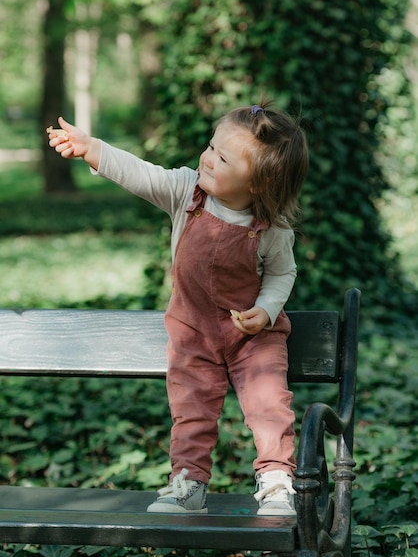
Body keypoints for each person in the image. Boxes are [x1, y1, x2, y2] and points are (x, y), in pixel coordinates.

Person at [47, 101, 309, 516]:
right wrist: (92, 147)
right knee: (191, 410)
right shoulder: (188, 192)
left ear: (260, 182)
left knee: (268, 405)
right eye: (210, 146)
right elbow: (140, 173)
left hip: (252, 339)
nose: (207, 157)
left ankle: (277, 483)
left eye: (222, 158)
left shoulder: (271, 229)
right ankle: (188, 484)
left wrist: (266, 309)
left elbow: (282, 275)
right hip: (192, 333)